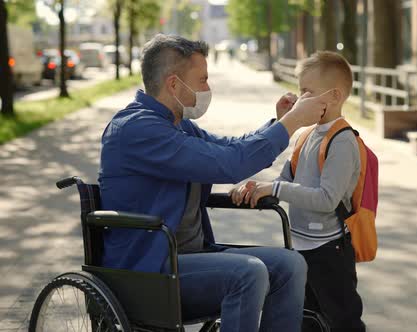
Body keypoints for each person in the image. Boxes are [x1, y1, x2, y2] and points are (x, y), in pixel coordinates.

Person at [98, 34, 331, 332]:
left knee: (290, 265)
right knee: (249, 274)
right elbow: (229, 165)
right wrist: (293, 123)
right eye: (203, 79)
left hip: (189, 258)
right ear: (173, 84)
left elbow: (231, 148)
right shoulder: (137, 129)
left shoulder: (178, 125)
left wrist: (279, 121)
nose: (208, 88)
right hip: (149, 270)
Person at [230, 51, 366, 331]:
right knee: (307, 321)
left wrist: (277, 187)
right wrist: (260, 187)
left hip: (330, 250)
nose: (300, 99)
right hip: (301, 247)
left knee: (343, 320)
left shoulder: (342, 141)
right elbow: (285, 180)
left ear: (335, 96)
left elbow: (327, 199)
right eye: (300, 90)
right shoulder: (305, 135)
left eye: (308, 92)